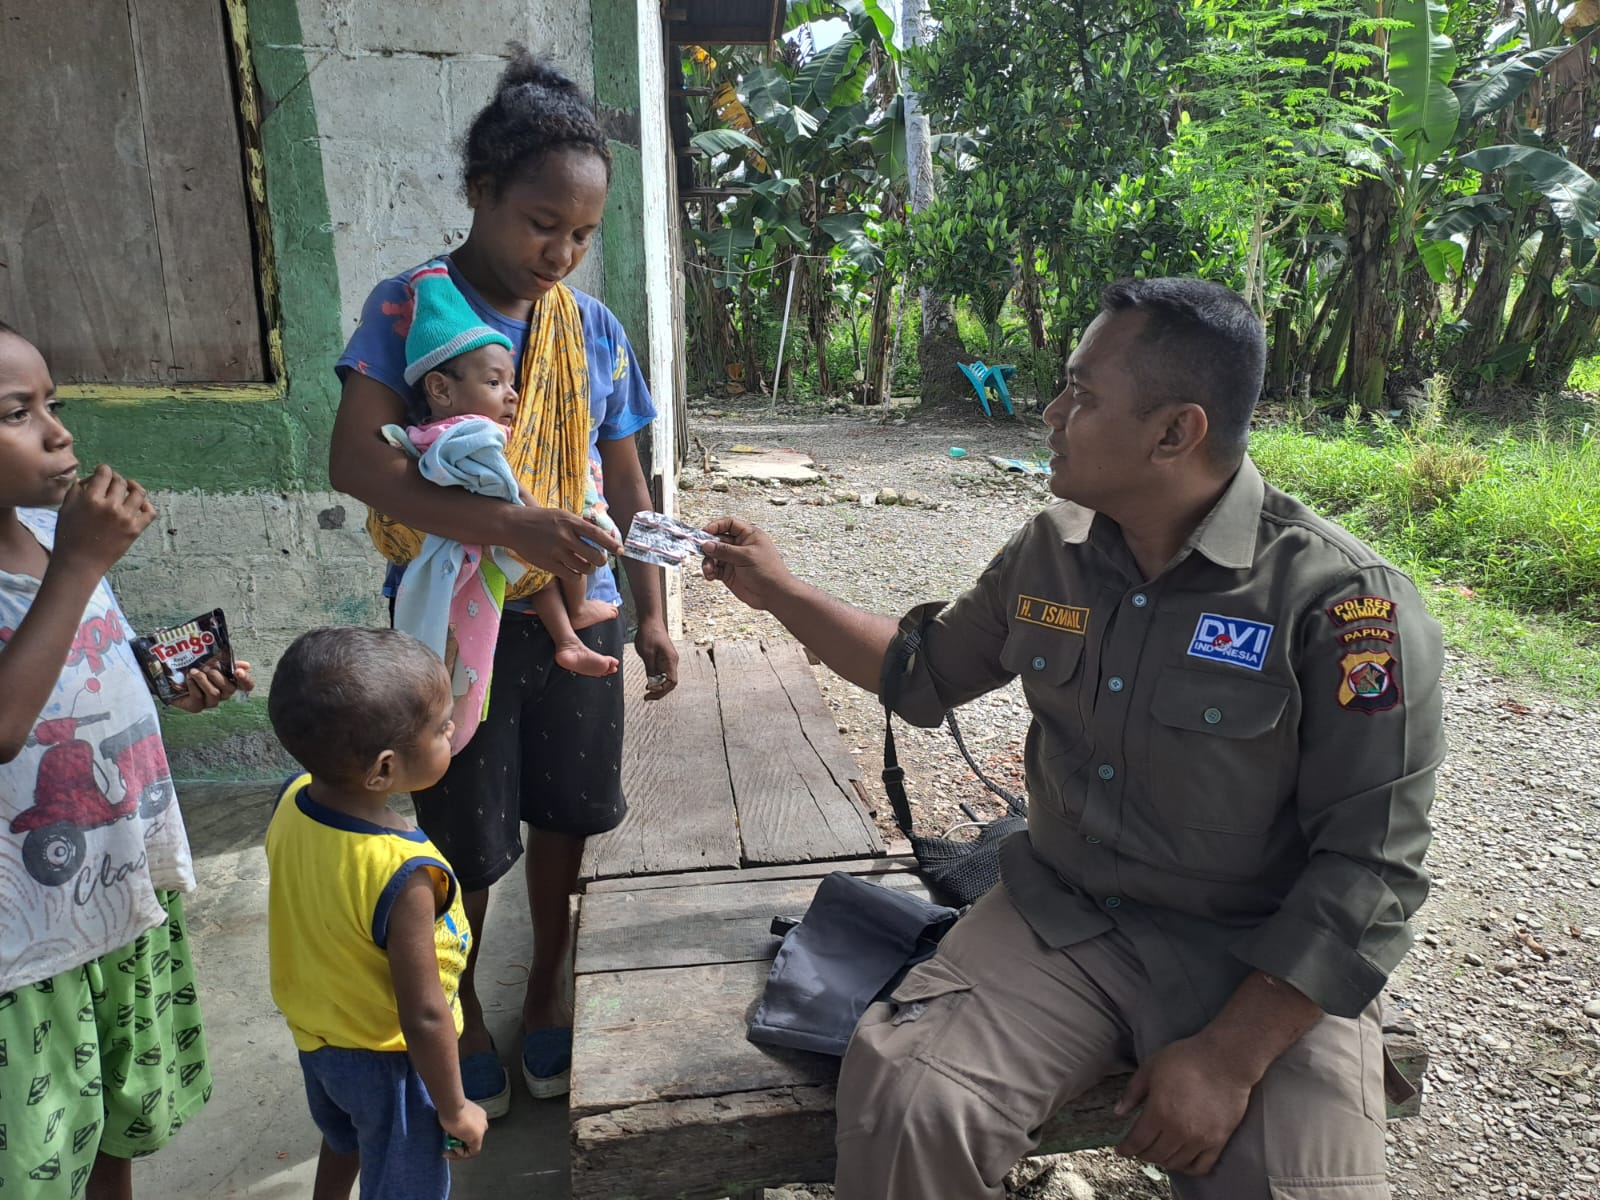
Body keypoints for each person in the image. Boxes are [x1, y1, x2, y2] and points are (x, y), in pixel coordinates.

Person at [700, 278, 1445, 1199]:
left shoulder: (1340, 602)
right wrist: (777, 589)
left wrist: (1228, 1058)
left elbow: (1373, 868)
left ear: (1176, 433)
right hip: (1063, 919)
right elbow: (924, 674)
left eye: (1082, 395)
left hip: (1261, 956)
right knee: (911, 1108)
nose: (1050, 413)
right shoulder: (1053, 547)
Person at [328, 46, 679, 1111]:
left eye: (581, 233)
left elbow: (631, 481)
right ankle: (465, 998)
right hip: (447, 626)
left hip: (587, 610)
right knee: (460, 831)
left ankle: (547, 988)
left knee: (568, 812)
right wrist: (514, 520)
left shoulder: (595, 332)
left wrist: (658, 610)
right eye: (540, 224)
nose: (561, 252)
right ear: (480, 194)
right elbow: (357, 463)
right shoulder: (409, 312)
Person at [0, 321, 254, 1200]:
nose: (58, 432)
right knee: (37, 1154)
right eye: (16, 413)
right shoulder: (69, 546)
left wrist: (169, 686)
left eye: (53, 405)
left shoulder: (48, 529)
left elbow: (74, 660)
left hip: (119, 894)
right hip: (24, 939)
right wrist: (79, 563)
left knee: (115, 1126)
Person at [265, 627, 488, 1200]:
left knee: (346, 1139)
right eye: (441, 727)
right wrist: (456, 1106)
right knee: (405, 1180)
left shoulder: (293, 801)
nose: (453, 730)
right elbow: (425, 1016)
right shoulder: (406, 872)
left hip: (319, 1041)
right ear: (383, 770)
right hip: (389, 1061)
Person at [387, 262, 619, 753]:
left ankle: (567, 641)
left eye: (511, 383)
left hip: (494, 551)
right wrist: (543, 519)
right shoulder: (471, 435)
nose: (512, 395)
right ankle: (575, 616)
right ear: (441, 389)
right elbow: (506, 491)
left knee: (537, 580)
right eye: (495, 383)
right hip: (491, 543)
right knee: (565, 545)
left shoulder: (433, 433)